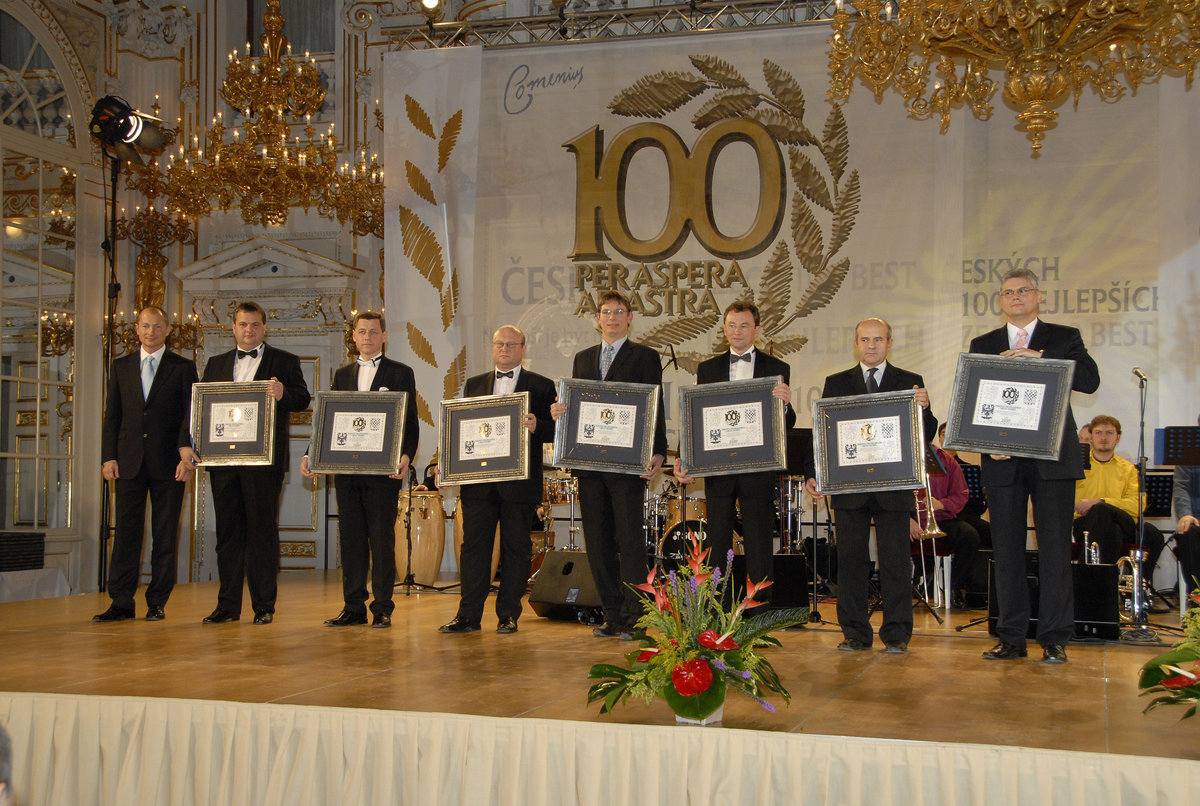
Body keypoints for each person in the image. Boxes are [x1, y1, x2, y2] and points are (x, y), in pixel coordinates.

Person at [970, 268, 1099, 664]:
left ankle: (1055, 637)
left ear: (1038, 296)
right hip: (1003, 461)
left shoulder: (1063, 337)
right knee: (1006, 550)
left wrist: (1042, 358)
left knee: (1055, 549)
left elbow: (1090, 380)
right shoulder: (984, 343)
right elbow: (976, 399)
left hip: (1053, 458)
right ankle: (1011, 637)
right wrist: (987, 443)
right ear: (1001, 300)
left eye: (1023, 290)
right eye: (1008, 292)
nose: (1016, 297)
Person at [806, 317, 937, 655]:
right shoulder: (837, 382)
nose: (871, 345)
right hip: (849, 488)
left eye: (878, 339)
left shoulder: (909, 381)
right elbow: (823, 433)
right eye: (865, 339)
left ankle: (897, 634)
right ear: (856, 343)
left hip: (893, 486)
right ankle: (854, 633)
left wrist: (924, 409)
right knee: (851, 562)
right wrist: (814, 472)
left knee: (895, 563)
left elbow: (924, 433)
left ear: (889, 343)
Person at [182, 302, 311, 625]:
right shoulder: (216, 363)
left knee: (262, 534)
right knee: (228, 535)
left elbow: (302, 399)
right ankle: (227, 606)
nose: (248, 330)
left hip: (264, 464)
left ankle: (264, 606)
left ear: (264, 327)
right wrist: (190, 445)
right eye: (243, 324)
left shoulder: (285, 361)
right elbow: (200, 408)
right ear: (233, 327)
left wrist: (283, 393)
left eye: (254, 325)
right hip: (223, 462)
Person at [551, 290, 667, 639]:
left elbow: (655, 406)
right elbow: (578, 405)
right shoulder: (583, 358)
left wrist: (658, 451)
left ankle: (636, 618)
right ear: (597, 319)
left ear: (630, 318)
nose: (612, 317)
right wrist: (561, 411)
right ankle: (612, 615)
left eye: (619, 311)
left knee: (630, 542)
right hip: (589, 465)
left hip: (627, 465)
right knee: (598, 542)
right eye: (606, 311)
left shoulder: (644, 356)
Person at [301, 312, 417, 628]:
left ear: (384, 335)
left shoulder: (400, 372)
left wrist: (406, 455)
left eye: (373, 332)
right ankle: (353, 607)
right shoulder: (342, 374)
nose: (367, 337)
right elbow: (328, 418)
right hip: (347, 473)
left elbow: (410, 421)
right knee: (351, 541)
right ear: (353, 336)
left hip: (382, 474)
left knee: (381, 541)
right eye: (362, 331)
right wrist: (312, 454)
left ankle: (382, 607)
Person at [439, 325, 556, 634]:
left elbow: (556, 430)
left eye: (511, 344)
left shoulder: (542, 385)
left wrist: (537, 425)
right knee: (473, 548)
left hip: (519, 484)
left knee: (516, 548)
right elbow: (463, 429)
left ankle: (508, 614)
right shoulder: (474, 384)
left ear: (523, 348)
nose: (504, 349)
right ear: (493, 348)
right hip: (479, 483)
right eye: (499, 344)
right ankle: (468, 615)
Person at [674, 301, 795, 592]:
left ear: (757, 330)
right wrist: (683, 456)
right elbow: (695, 416)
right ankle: (716, 606)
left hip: (758, 469)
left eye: (744, 325)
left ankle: (760, 611)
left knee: (759, 542)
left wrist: (785, 405)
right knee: (716, 541)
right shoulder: (708, 368)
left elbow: (785, 425)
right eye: (731, 325)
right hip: (719, 468)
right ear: (724, 329)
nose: (737, 331)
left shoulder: (777, 368)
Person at [94, 307, 199, 622]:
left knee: (164, 535)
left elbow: (191, 415)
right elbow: (112, 415)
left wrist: (187, 456)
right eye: (145, 326)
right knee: (126, 534)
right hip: (129, 462)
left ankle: (157, 602)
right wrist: (108, 456)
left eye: (156, 326)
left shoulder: (183, 367)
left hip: (170, 463)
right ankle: (121, 602)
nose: (150, 332)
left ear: (168, 330)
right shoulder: (121, 366)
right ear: (137, 329)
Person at [1072, 415, 1165, 581]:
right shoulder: (1076, 467)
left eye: (1109, 433)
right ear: (1091, 437)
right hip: (1085, 525)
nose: (1104, 437)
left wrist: (1101, 501)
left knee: (1102, 509)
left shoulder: (1128, 469)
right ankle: (1114, 586)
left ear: (1118, 437)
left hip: (1125, 523)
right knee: (1113, 530)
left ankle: (1089, 580)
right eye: (1098, 433)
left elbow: (1137, 506)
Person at [910, 443, 982, 609]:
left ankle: (955, 587)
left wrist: (941, 504)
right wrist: (907, 519)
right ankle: (915, 585)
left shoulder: (946, 459)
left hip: (941, 519)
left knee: (969, 535)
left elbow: (961, 494)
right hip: (910, 520)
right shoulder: (903, 456)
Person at [1172, 413, 1200, 597]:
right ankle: (1197, 597)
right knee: (1187, 532)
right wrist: (1186, 515)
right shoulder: (1190, 455)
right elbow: (1181, 486)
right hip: (1197, 520)